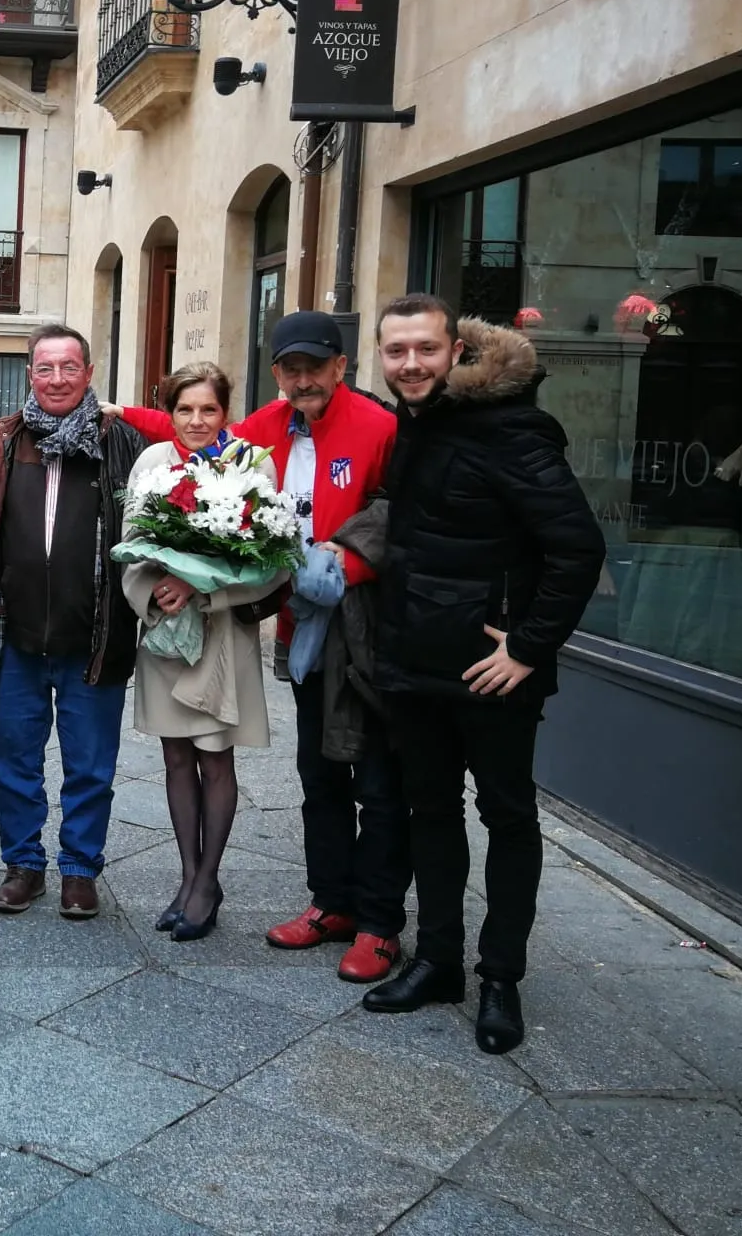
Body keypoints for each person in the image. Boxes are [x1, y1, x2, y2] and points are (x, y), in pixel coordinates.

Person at [361, 295, 604, 1054]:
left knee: (507, 819)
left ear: (455, 352)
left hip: (493, 674)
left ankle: (500, 977)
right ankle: (437, 961)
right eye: (396, 351)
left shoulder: (512, 433)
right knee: (428, 814)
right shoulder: (412, 426)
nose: (409, 364)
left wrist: (528, 648)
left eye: (424, 350)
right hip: (413, 667)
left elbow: (578, 549)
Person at [226, 310, 408, 984]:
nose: (302, 378)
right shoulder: (264, 429)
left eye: (315, 366)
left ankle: (380, 923)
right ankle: (332, 900)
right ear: (276, 373)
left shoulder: (380, 427)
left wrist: (345, 569)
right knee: (319, 775)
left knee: (380, 782)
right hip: (303, 631)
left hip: (369, 633)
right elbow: (207, 457)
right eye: (290, 368)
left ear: (341, 367)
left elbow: (398, 518)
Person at [0, 324, 147, 918]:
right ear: (29, 375)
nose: (57, 379)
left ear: (90, 375)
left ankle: (78, 868)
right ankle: (23, 864)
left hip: (94, 633)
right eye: (45, 368)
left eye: (70, 367)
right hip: (12, 633)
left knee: (90, 765)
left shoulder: (123, 442)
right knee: (13, 760)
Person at [119, 363, 288, 943]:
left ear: (226, 413)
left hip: (221, 633)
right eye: (184, 409)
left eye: (208, 410)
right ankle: (187, 876)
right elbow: (130, 547)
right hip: (165, 631)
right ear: (170, 413)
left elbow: (271, 560)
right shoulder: (151, 464)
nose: (196, 420)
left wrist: (204, 587)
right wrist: (156, 595)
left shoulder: (251, 464)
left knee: (215, 757)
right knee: (174, 758)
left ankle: (209, 880)